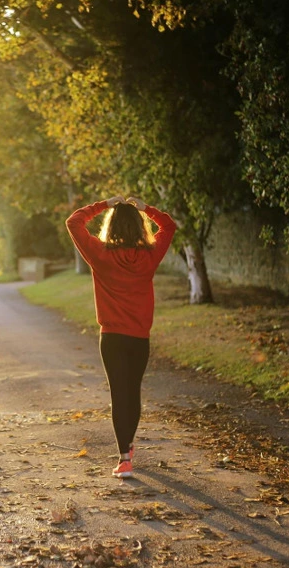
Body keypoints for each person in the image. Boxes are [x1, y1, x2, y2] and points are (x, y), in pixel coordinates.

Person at [66, 195, 177, 478]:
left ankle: (124, 458)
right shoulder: (150, 256)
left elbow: (74, 221)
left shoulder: (100, 254)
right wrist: (146, 208)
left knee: (119, 394)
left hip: (112, 338)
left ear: (111, 227)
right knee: (133, 392)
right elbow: (169, 226)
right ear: (139, 227)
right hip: (139, 338)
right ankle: (128, 445)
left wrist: (104, 204)